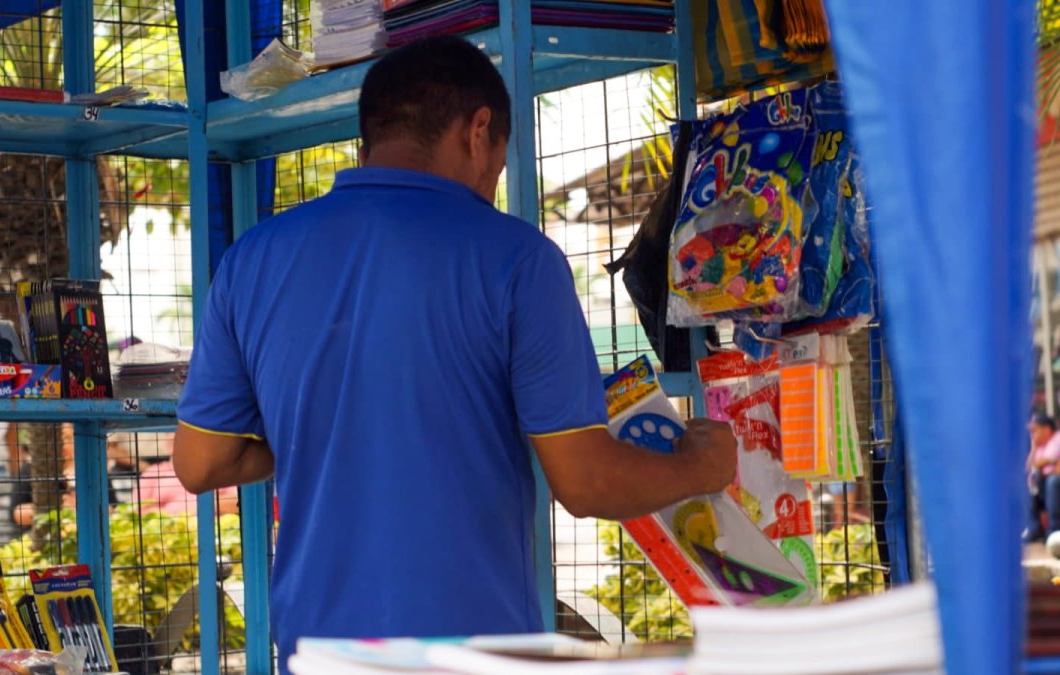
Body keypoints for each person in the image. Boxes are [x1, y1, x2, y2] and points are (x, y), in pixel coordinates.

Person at [172, 36, 736, 672]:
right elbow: (586, 482)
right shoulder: (518, 260)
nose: (495, 179)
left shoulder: (252, 259)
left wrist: (326, 428)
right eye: (500, 161)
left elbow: (200, 462)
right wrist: (703, 467)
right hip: (475, 647)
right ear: (479, 130)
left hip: (316, 649)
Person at [1027, 412, 1060, 542]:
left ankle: (1054, 531)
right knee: (1032, 483)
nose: (1033, 435)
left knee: (1052, 482)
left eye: (1035, 430)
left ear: (1046, 429)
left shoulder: (1057, 438)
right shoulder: (1040, 446)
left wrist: (1041, 465)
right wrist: (1034, 446)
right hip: (1045, 480)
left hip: (1055, 481)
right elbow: (1030, 467)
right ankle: (1035, 529)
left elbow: (1051, 460)